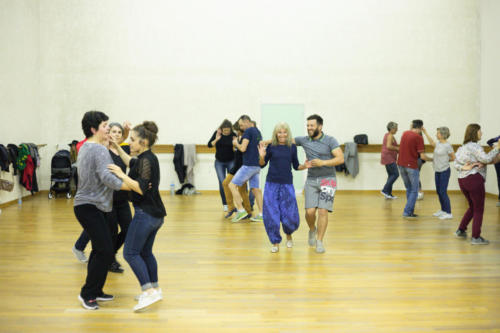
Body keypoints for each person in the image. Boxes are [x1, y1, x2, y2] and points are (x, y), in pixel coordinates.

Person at [73, 111, 129, 310]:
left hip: (96, 206)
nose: (108, 129)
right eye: (105, 125)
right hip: (89, 206)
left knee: (101, 250)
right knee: (105, 249)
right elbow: (107, 178)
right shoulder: (98, 149)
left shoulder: (88, 147)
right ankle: (87, 293)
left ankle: (96, 290)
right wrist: (131, 185)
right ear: (93, 129)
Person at [108, 121, 166, 311]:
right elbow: (129, 162)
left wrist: (120, 175)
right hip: (155, 214)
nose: (129, 143)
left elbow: (140, 188)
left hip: (146, 214)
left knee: (130, 253)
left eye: (132, 140)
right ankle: (155, 289)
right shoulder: (145, 158)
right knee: (145, 252)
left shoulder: (146, 160)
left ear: (143, 142)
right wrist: (117, 146)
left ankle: (148, 292)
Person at [295, 114, 344, 254]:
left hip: (328, 180)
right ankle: (312, 229)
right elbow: (283, 139)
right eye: (308, 125)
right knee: (310, 212)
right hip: (311, 181)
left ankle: (319, 241)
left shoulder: (330, 140)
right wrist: (265, 142)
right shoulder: (304, 140)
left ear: (320, 126)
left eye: (312, 125)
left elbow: (340, 158)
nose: (309, 128)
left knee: (322, 211)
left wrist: (323, 162)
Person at [258, 123, 310, 253]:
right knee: (271, 214)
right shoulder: (271, 146)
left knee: (289, 214)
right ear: (276, 134)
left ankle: (289, 235)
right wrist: (262, 156)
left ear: (288, 133)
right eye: (279, 132)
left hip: (287, 184)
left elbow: (296, 166)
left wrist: (305, 166)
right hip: (271, 184)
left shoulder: (292, 147)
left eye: (284, 132)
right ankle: (275, 242)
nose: (282, 135)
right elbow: (262, 165)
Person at [453, 124, 500, 245]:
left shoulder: (462, 147)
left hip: (462, 180)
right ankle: (476, 237)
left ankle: (461, 230)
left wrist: (464, 167)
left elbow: (456, 164)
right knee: (479, 209)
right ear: (475, 132)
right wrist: (497, 148)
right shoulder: (475, 146)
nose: (482, 133)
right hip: (474, 180)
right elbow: (486, 159)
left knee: (472, 207)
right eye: (480, 131)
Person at [229, 115, 264, 223]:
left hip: (248, 165)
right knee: (255, 189)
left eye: (241, 125)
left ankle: (241, 210)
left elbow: (243, 148)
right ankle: (262, 214)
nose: (241, 127)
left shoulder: (248, 131)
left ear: (247, 121)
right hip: (257, 166)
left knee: (231, 185)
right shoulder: (258, 132)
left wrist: (236, 143)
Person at [397, 120, 432, 219]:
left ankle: (410, 211)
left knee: (409, 188)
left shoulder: (405, 133)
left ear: (412, 126)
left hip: (400, 164)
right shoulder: (418, 137)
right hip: (411, 166)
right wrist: (432, 159)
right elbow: (423, 157)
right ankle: (407, 212)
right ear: (421, 128)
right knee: (414, 190)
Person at [422, 127, 455, 220]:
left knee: (443, 192)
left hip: (444, 171)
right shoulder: (439, 144)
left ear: (442, 134)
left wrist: (444, 161)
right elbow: (432, 142)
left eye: (437, 133)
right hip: (437, 171)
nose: (436, 134)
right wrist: (425, 132)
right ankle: (443, 210)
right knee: (439, 192)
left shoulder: (448, 146)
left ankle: (448, 212)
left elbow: (453, 157)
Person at [222, 121, 252, 219]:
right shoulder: (237, 138)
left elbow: (243, 152)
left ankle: (247, 210)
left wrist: (236, 143)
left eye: (237, 130)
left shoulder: (244, 139)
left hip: (242, 168)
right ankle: (232, 208)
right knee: (227, 184)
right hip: (236, 167)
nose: (236, 132)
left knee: (241, 190)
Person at [208, 119, 236, 212]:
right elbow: (209, 145)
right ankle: (225, 204)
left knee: (231, 182)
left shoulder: (233, 135)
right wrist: (216, 139)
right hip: (219, 162)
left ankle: (231, 203)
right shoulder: (217, 134)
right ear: (221, 129)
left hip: (231, 161)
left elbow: (237, 147)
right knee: (222, 182)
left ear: (230, 129)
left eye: (228, 130)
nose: (226, 132)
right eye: (225, 131)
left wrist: (235, 143)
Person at [380, 121, 399, 199]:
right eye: (396, 128)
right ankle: (385, 190)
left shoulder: (389, 135)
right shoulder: (390, 135)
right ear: (391, 129)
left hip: (388, 157)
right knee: (395, 174)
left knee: (391, 175)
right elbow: (388, 146)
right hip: (388, 158)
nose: (397, 130)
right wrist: (397, 148)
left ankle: (388, 194)